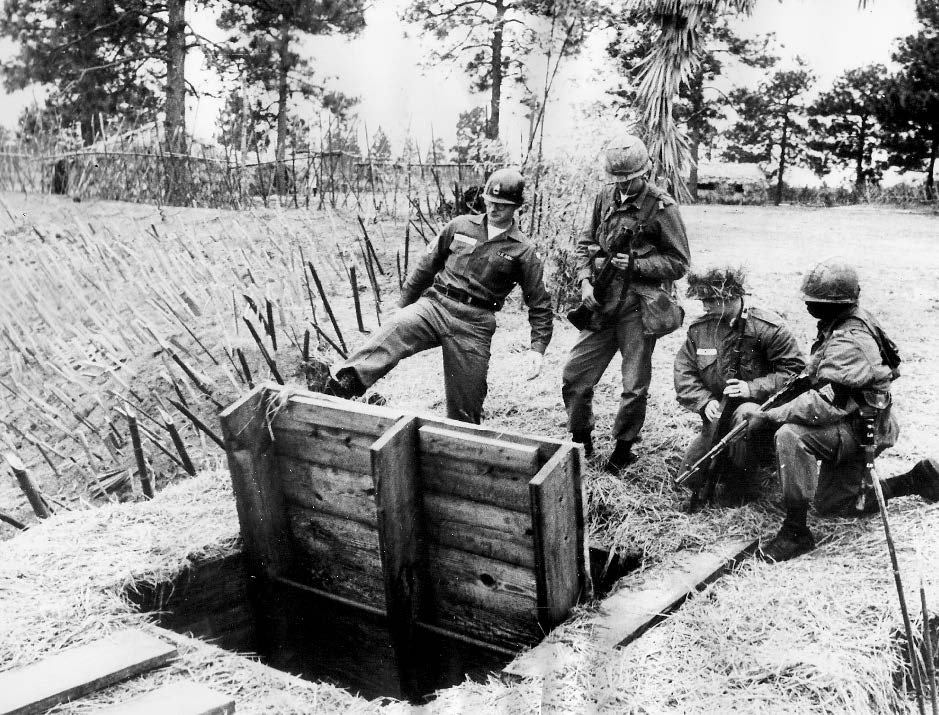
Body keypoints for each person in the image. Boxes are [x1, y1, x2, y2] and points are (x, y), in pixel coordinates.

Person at [325, 167, 552, 424]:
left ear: (517, 206)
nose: (494, 208)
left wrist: (537, 349)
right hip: (435, 306)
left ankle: (459, 439)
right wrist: (403, 304)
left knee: (466, 409)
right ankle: (344, 384)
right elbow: (427, 265)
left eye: (502, 204)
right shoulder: (460, 225)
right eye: (490, 201)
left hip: (474, 324)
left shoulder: (523, 250)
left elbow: (540, 304)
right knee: (395, 329)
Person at [749, 260, 939, 562]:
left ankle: (795, 532)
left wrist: (771, 415)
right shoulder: (845, 322)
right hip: (860, 419)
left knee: (790, 435)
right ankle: (914, 480)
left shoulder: (850, 338)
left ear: (835, 303)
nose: (808, 306)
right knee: (834, 506)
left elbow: (824, 405)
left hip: (862, 429)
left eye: (815, 301)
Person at [562, 135, 690, 472]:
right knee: (575, 375)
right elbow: (585, 244)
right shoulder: (604, 197)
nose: (622, 185)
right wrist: (585, 281)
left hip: (637, 307)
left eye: (628, 179)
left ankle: (623, 448)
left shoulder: (662, 207)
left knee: (634, 385)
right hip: (602, 303)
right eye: (616, 179)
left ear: (644, 172)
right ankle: (581, 439)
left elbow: (679, 263)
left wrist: (637, 264)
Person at [674, 266, 804, 505]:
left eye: (710, 300)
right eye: (702, 300)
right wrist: (704, 401)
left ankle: (741, 484)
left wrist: (751, 388)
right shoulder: (700, 330)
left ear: (730, 296)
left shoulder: (768, 328)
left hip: (760, 412)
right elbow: (684, 372)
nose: (705, 306)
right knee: (689, 477)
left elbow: (794, 373)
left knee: (746, 419)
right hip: (718, 412)